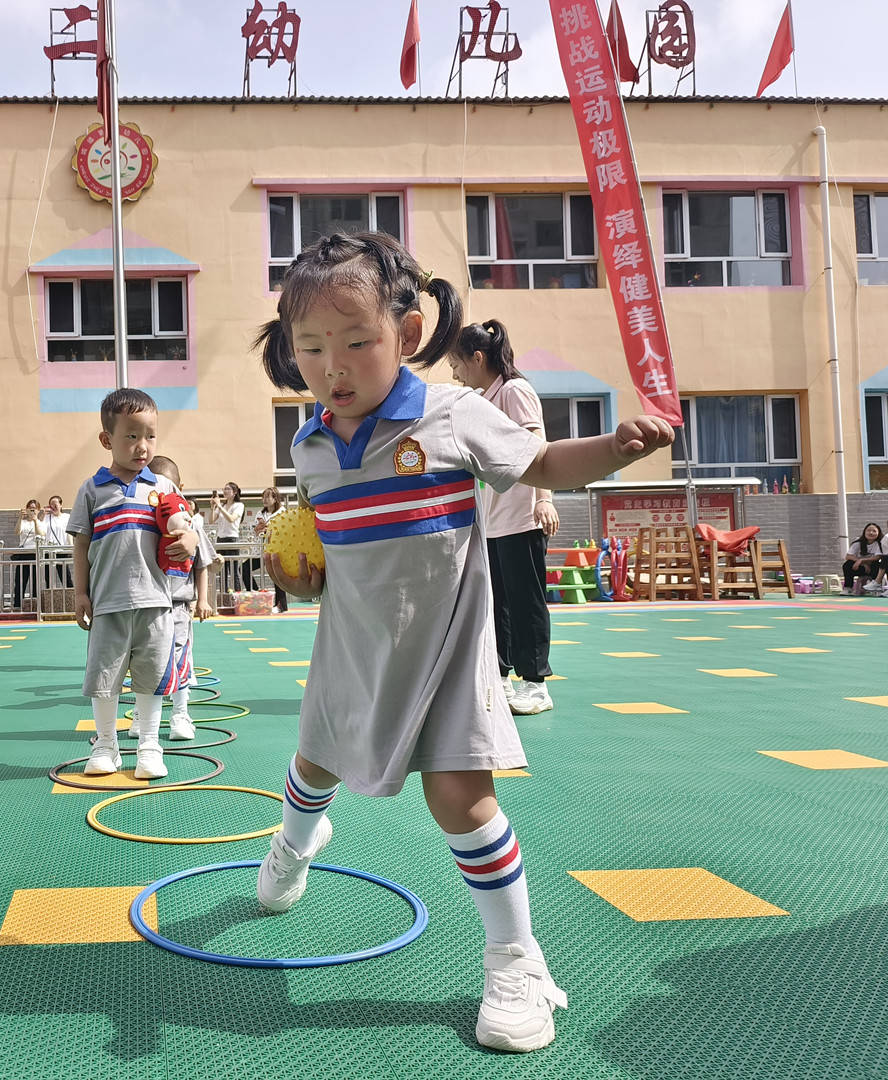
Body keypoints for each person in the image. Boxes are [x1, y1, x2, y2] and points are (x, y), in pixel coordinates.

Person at [254, 231, 674, 1053]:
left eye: (355, 342)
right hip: (351, 646)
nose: (332, 366)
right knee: (314, 760)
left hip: (447, 648)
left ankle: (516, 958)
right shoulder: (309, 447)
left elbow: (543, 463)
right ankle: (294, 844)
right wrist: (297, 579)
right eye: (310, 349)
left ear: (407, 335)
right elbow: (323, 564)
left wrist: (613, 451)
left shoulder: (454, 415)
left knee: (461, 797)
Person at [68, 388, 197, 781]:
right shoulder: (92, 490)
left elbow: (186, 528)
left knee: (152, 676)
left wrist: (189, 539)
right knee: (105, 678)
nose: (143, 446)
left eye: (150, 436)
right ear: (107, 440)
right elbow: (81, 543)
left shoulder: (163, 488)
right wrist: (80, 593)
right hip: (108, 603)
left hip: (157, 601)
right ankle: (106, 744)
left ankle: (149, 747)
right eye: (131, 435)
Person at [448, 319, 557, 715]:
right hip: (493, 519)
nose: (455, 374)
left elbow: (537, 445)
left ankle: (536, 683)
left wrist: (544, 499)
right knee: (498, 604)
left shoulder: (514, 391)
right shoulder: (484, 399)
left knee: (525, 601)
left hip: (521, 516)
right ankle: (501, 676)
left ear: (477, 358)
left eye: (457, 364)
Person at [147, 454, 217, 740]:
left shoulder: (191, 524)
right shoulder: (147, 521)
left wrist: (203, 599)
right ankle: (143, 716)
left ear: (180, 488)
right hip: (148, 604)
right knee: (145, 659)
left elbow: (203, 564)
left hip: (178, 605)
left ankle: (180, 714)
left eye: (170, 488)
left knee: (180, 658)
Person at [251, 487, 290, 612]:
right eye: (263, 497)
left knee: (276, 576)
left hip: (277, 550)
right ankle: (259, 596)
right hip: (262, 551)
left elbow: (285, 530)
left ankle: (281, 605)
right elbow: (256, 531)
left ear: (275, 499)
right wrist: (260, 529)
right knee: (244, 568)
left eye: (268, 497)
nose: (265, 500)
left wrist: (270, 529)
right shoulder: (260, 514)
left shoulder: (282, 512)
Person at [208, 480, 247, 590]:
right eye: (224, 489)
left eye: (228, 489)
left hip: (232, 538)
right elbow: (211, 520)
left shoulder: (239, 505)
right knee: (222, 570)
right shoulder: (223, 506)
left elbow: (231, 519)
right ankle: (223, 596)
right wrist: (213, 507)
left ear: (234, 492)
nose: (225, 491)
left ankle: (237, 595)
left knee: (233, 570)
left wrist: (219, 506)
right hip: (220, 539)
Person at [12, 498, 46, 610]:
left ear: (38, 510)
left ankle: (36, 605)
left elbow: (40, 534)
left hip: (35, 553)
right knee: (20, 580)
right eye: (30, 509)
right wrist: (20, 518)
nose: (32, 511)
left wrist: (36, 520)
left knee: (36, 580)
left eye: (34, 509)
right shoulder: (23, 522)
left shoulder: (41, 523)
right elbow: (17, 532)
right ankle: (17, 604)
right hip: (24, 553)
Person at [842, 522, 883, 596]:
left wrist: (862, 560)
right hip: (860, 568)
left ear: (878, 533)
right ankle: (848, 588)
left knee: (877, 564)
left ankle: (876, 588)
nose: (871, 533)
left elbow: (878, 557)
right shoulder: (858, 542)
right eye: (868, 530)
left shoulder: (880, 543)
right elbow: (848, 556)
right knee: (847, 564)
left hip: (873, 569)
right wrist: (861, 563)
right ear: (864, 532)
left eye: (874, 531)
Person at [43, 494, 74, 587]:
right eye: (51, 504)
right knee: (48, 578)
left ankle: (70, 598)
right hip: (48, 551)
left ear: (60, 505)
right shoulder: (46, 517)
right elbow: (41, 530)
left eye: (55, 504)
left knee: (65, 577)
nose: (53, 506)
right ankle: (50, 598)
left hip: (62, 550)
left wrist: (71, 546)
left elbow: (69, 533)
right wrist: (42, 514)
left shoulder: (66, 517)